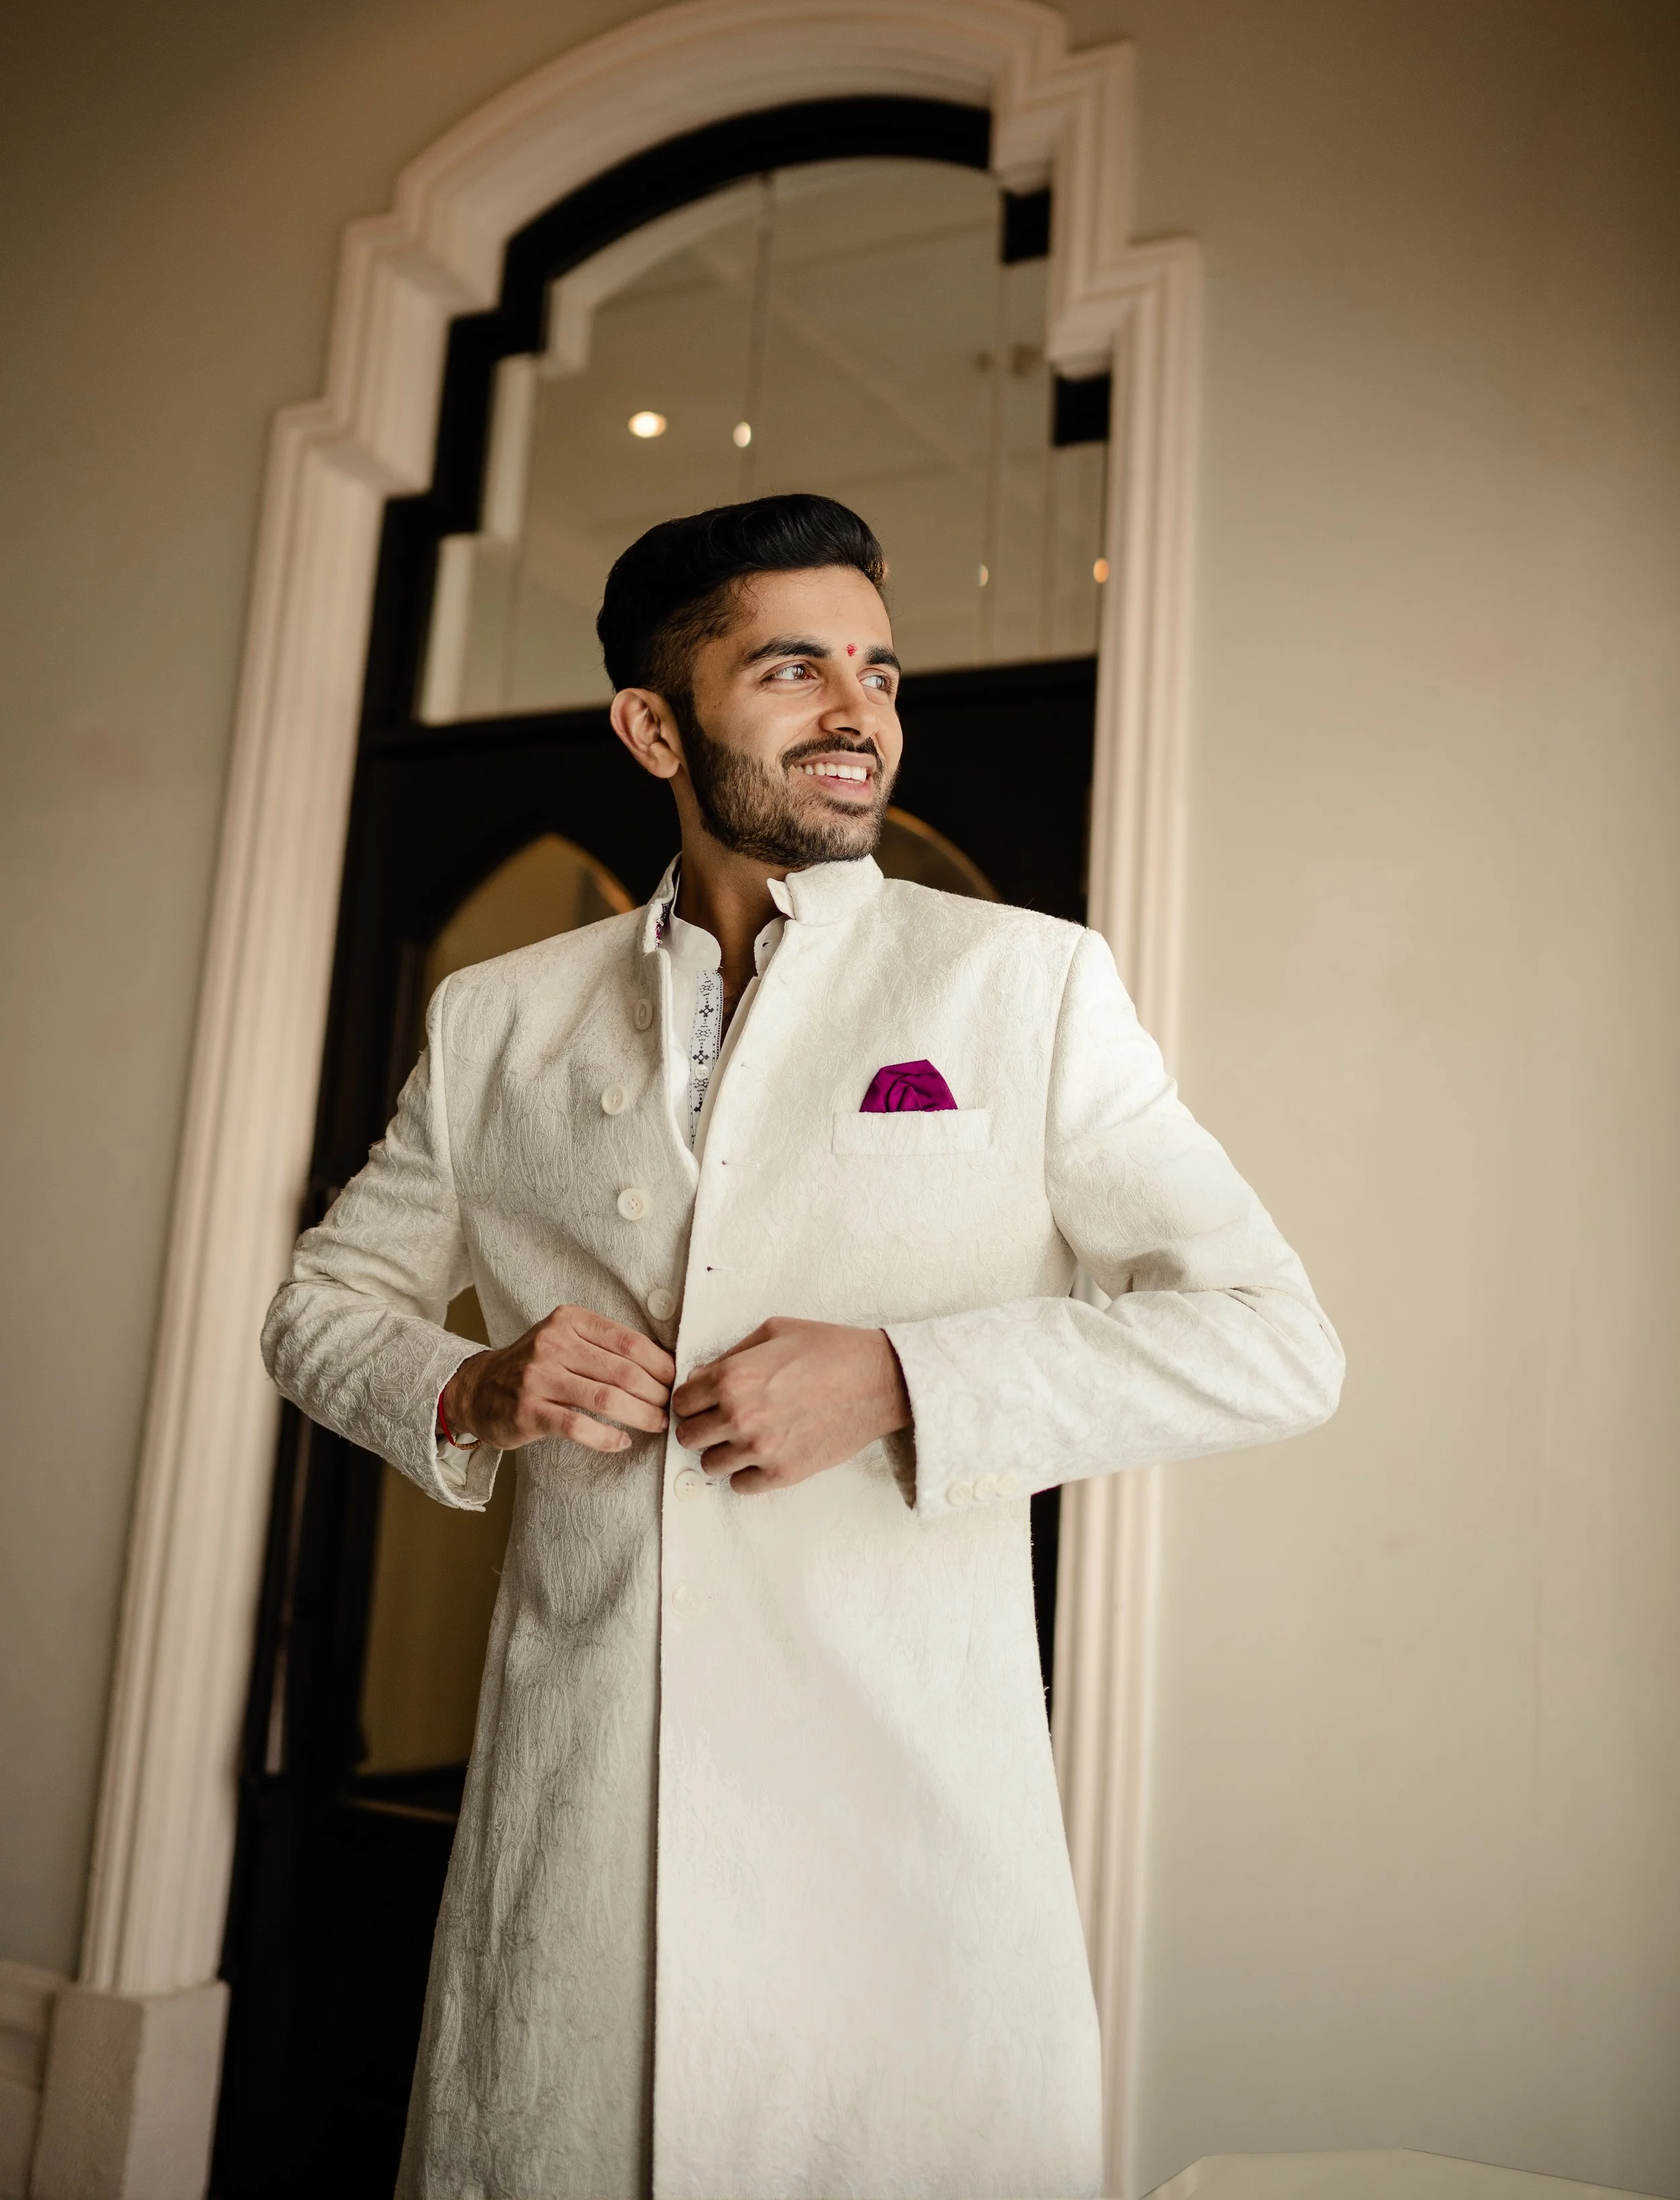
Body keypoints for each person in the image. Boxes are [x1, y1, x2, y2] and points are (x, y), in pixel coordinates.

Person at [263, 492, 1343, 2200]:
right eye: (792, 668)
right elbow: (318, 1311)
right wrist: (473, 1383)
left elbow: (1272, 1341)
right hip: (584, 1837)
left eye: (879, 670)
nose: (859, 711)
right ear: (653, 723)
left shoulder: (1025, 987)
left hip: (898, 1836)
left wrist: (911, 1378)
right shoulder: (499, 1019)